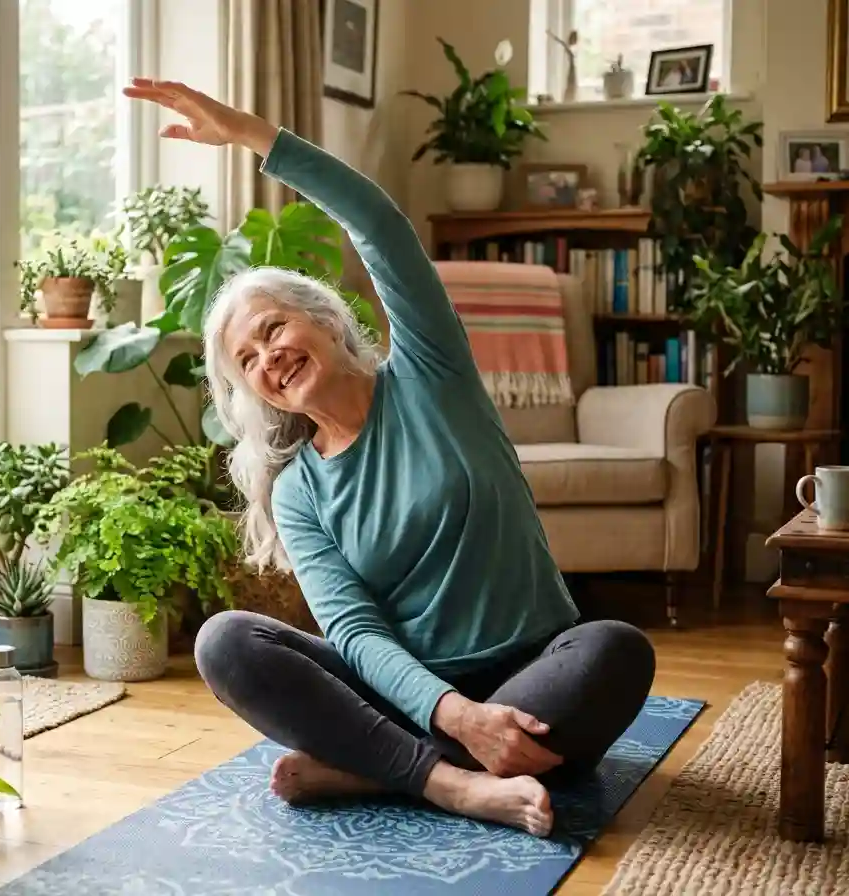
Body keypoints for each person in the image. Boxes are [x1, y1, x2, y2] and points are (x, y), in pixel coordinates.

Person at [123, 78, 656, 838]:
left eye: (274, 329)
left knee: (617, 650)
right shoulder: (300, 491)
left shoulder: (432, 375)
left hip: (532, 667)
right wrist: (457, 716)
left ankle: (377, 768)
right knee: (227, 642)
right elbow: (359, 636)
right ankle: (452, 783)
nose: (269, 356)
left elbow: (378, 224)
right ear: (254, 393)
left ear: (324, 321)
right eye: (248, 359)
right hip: (410, 690)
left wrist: (250, 134)